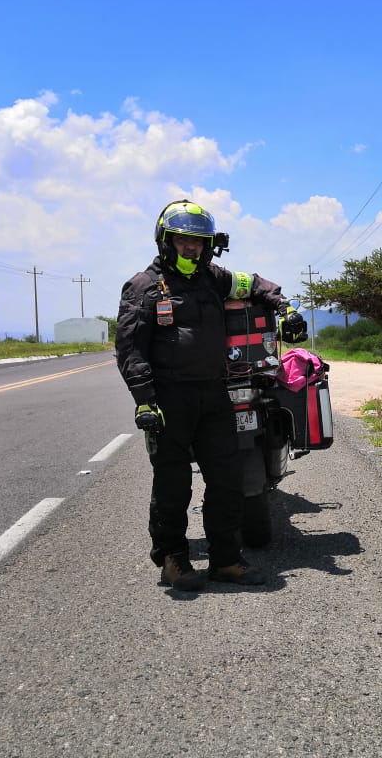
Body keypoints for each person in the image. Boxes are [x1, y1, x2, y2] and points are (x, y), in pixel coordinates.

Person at [115, 199, 307, 591]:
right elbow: (130, 349)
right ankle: (173, 561)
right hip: (169, 400)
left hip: (215, 395)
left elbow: (256, 284)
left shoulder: (213, 278)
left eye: (199, 242)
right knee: (172, 484)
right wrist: (145, 399)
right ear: (166, 241)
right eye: (183, 240)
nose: (192, 248)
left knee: (227, 480)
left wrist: (285, 308)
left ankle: (226, 561)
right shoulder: (143, 287)